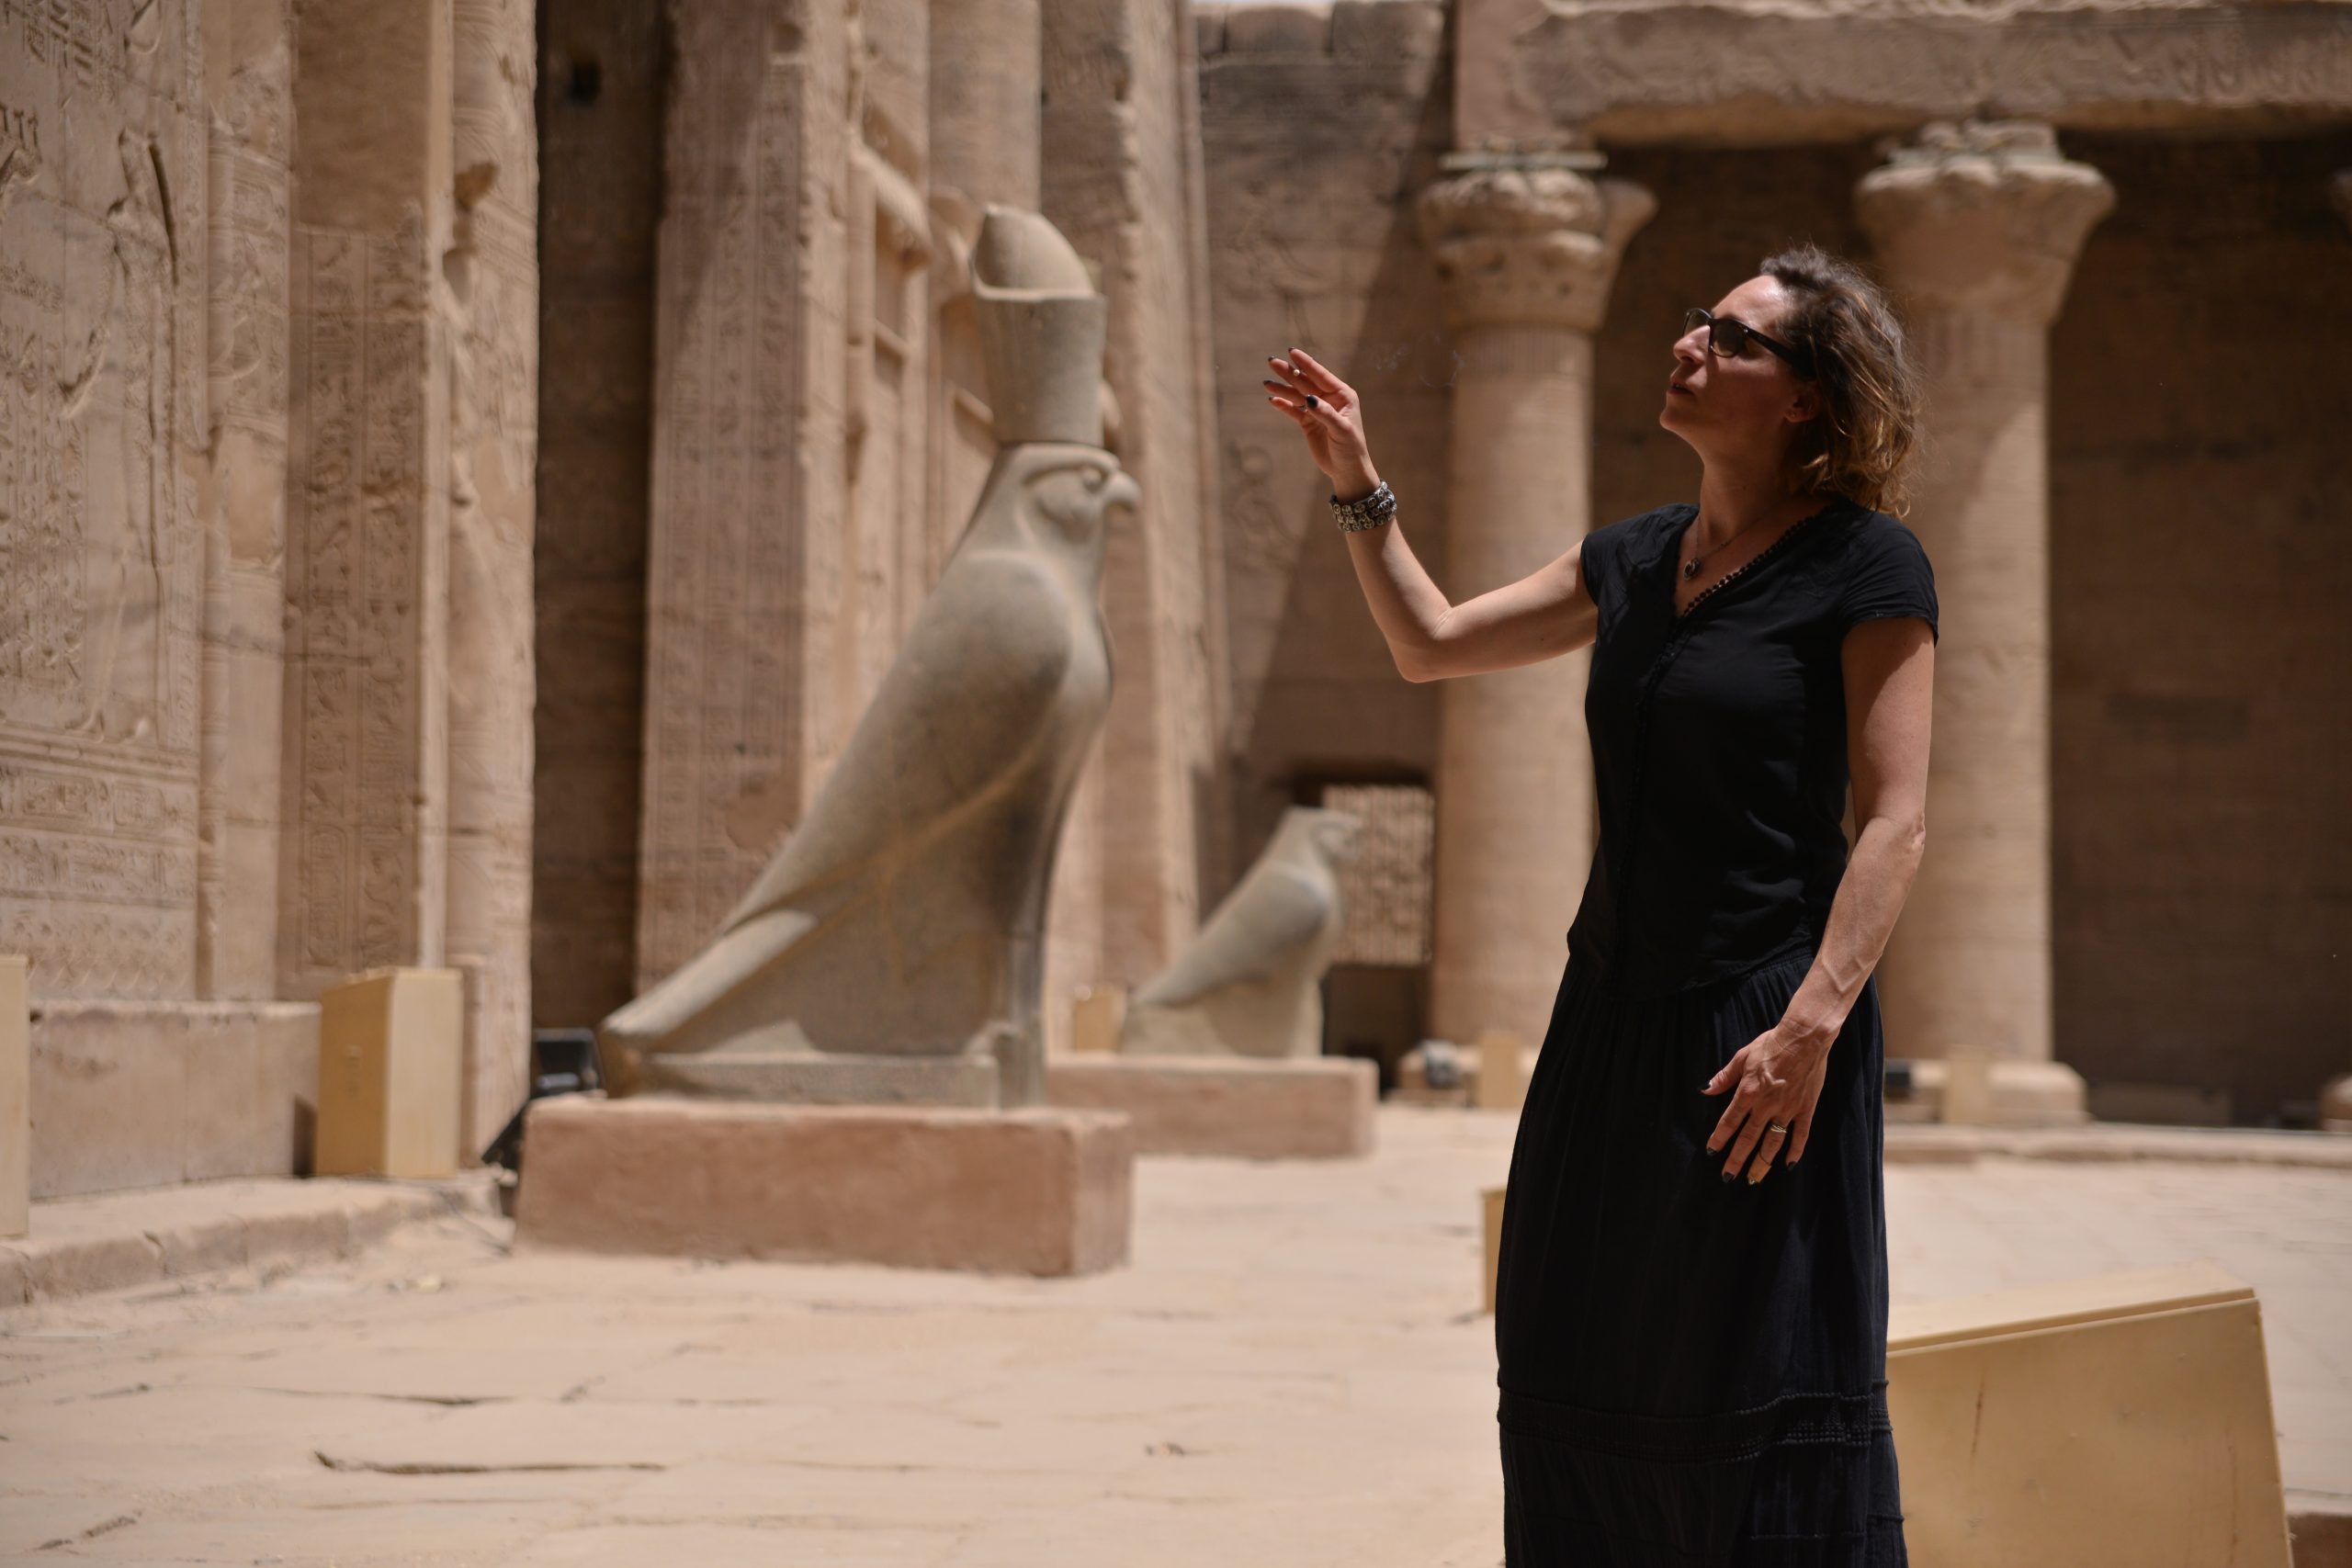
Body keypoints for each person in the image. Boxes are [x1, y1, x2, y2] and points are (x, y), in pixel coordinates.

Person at [1264, 242, 1936, 1566]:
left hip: (1765, 1026)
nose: (1690, 344)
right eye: (1698, 320)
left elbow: (1895, 817)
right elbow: (1430, 645)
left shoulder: (1869, 564)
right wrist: (1356, 483)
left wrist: (1810, 1029)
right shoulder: (1629, 558)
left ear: (1807, 395)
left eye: (1733, 337)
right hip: (1609, 1019)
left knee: (1745, 1371)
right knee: (1574, 1345)